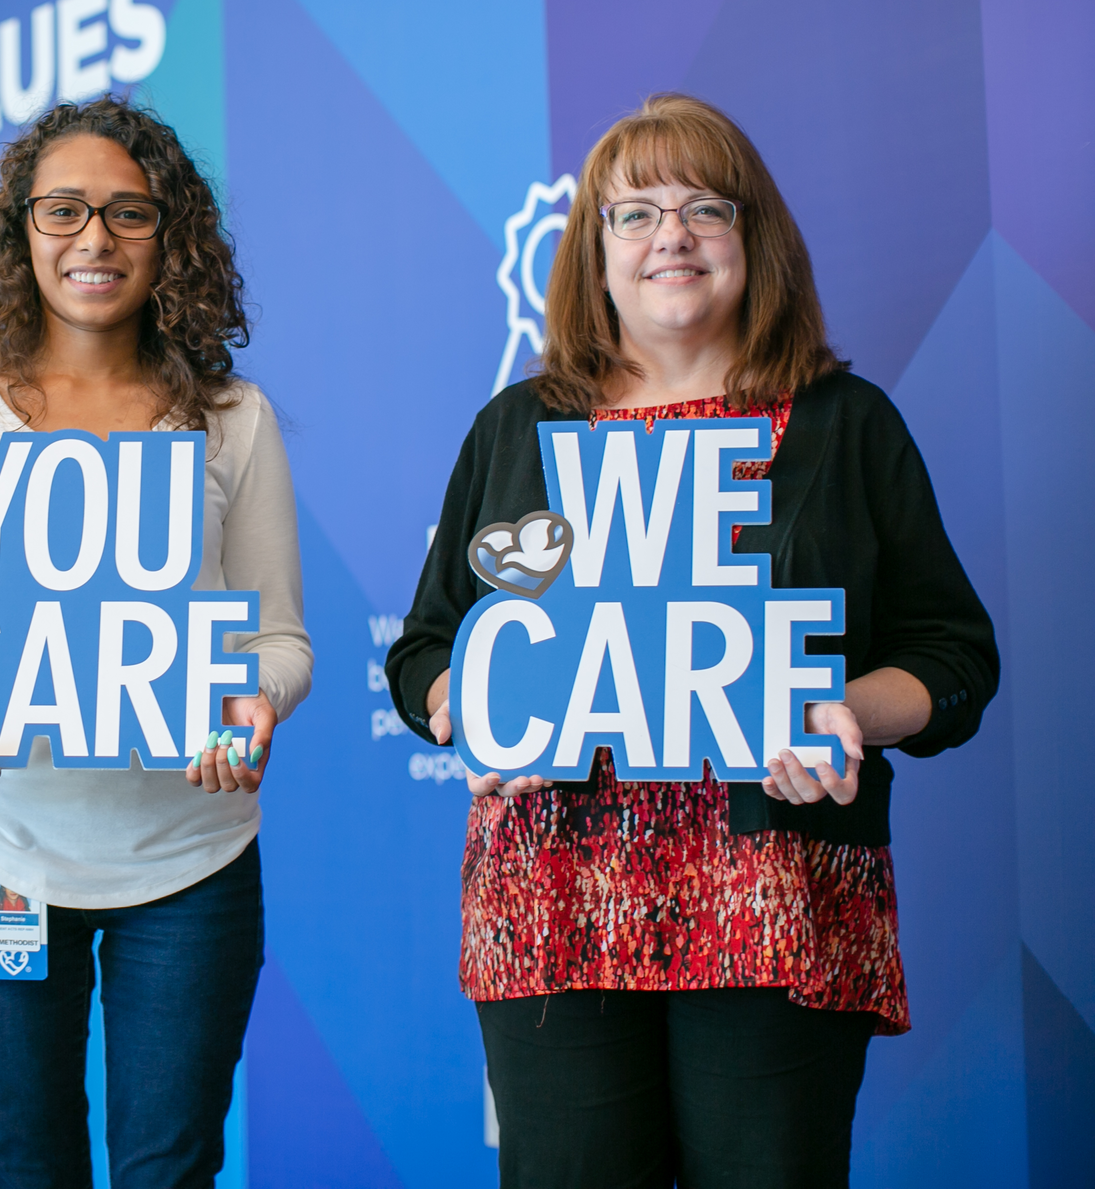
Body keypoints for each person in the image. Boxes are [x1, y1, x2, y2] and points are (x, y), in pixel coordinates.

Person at [384, 93, 998, 1188]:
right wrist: (463, 704)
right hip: (554, 900)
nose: (670, 234)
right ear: (594, 255)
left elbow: (954, 656)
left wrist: (846, 708)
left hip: (778, 898)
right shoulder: (517, 429)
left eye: (704, 207)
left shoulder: (842, 424)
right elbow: (425, 649)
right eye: (633, 213)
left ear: (751, 242)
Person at [0, 98, 312, 1189]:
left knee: (169, 1169)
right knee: (23, 1164)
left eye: (127, 213)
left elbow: (281, 638)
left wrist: (253, 700)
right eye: (62, 210)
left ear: (173, 236)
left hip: (190, 860)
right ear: (21, 230)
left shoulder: (229, 415)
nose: (94, 240)